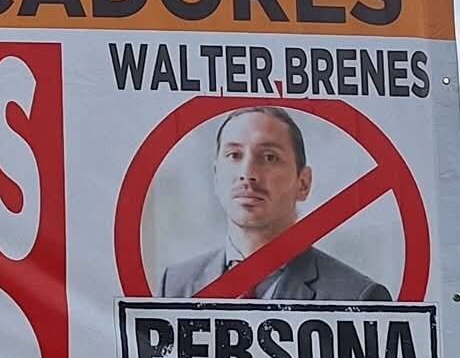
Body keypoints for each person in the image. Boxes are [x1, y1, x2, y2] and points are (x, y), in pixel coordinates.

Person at [154, 106, 392, 302]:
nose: (247, 174)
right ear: (216, 176)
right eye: (234, 155)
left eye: (269, 157)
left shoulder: (357, 297)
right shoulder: (175, 286)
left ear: (303, 183)